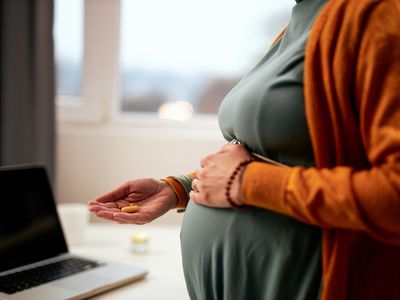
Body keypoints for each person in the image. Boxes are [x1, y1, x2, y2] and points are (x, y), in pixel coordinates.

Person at [88, 0, 400, 299]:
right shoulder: (302, 17)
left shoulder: (375, 13)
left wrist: (245, 182)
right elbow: (286, 156)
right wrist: (182, 188)